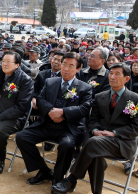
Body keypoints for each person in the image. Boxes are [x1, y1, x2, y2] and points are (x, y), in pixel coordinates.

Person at [52, 63, 138, 194]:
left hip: (122, 142)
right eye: (111, 73)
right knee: (95, 151)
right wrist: (95, 130)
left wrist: (114, 133)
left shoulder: (137, 99)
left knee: (93, 144)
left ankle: (71, 179)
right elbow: (93, 119)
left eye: (117, 74)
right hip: (99, 140)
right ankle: (96, 192)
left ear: (127, 79)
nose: (112, 77)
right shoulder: (100, 97)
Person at [17, 52, 92, 187]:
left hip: (68, 128)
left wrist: (62, 112)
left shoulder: (84, 88)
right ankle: (44, 170)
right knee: (22, 137)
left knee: (68, 145)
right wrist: (51, 111)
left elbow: (85, 109)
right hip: (47, 124)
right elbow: (40, 99)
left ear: (78, 69)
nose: (66, 68)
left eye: (71, 66)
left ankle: (57, 180)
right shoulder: (50, 82)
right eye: (64, 64)